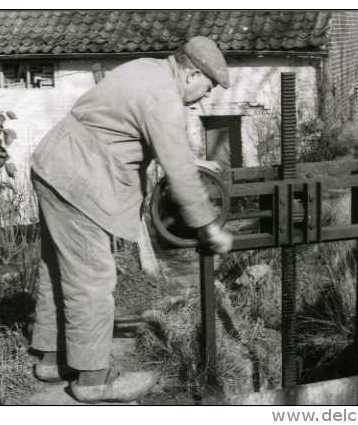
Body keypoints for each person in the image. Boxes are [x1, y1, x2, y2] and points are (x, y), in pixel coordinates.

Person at [30, 36, 233, 403]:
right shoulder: (164, 98)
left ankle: (50, 359)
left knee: (56, 268)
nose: (207, 95)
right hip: (80, 180)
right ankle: (94, 380)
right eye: (209, 85)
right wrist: (208, 227)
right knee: (92, 278)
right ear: (191, 73)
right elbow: (180, 174)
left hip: (54, 165)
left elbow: (133, 133)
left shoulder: (146, 68)